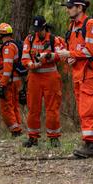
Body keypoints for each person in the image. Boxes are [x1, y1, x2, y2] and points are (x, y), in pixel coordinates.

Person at [56, 0, 93, 158]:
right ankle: (88, 142)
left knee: (87, 109)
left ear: (80, 7)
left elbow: (90, 50)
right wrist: (70, 56)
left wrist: (70, 53)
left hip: (88, 73)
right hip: (77, 73)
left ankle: (92, 145)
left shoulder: (91, 24)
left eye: (70, 6)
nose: (67, 9)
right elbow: (78, 49)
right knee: (83, 109)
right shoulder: (73, 25)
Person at [21, 16, 66, 147]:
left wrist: (46, 57)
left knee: (52, 108)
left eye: (40, 29)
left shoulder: (54, 40)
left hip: (51, 77)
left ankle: (54, 138)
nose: (37, 32)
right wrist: (32, 65)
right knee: (33, 108)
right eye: (36, 29)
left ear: (45, 28)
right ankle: (33, 138)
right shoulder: (29, 39)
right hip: (34, 77)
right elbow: (24, 58)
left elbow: (60, 56)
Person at [0, 23, 23, 137]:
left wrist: (3, 84)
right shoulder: (12, 45)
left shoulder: (8, 47)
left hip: (9, 82)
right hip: (13, 81)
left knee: (7, 107)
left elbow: (7, 68)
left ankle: (15, 130)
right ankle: (17, 128)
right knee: (14, 105)